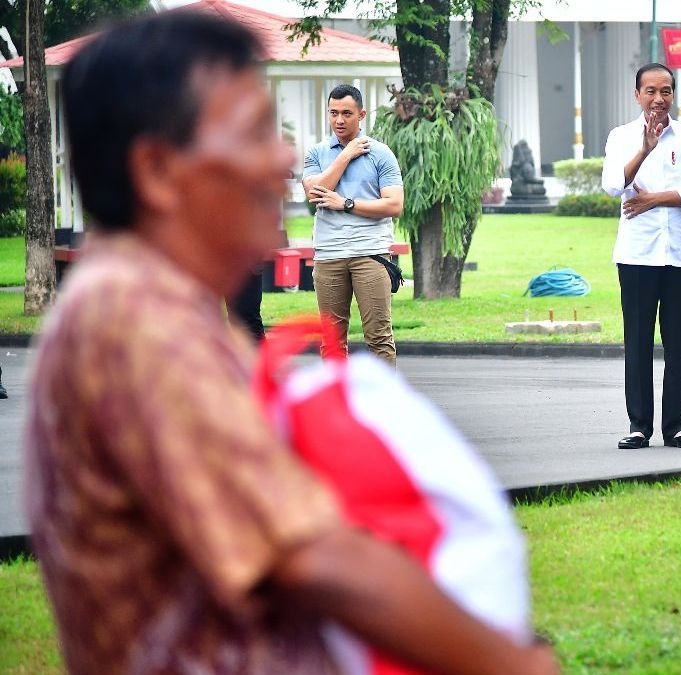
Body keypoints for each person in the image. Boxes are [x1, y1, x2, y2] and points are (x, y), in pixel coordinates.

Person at [24, 11, 557, 675]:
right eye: (251, 134)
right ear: (158, 170)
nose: (280, 159)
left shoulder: (140, 306)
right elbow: (318, 558)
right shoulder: (136, 323)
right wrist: (512, 662)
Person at [601, 63, 681, 450]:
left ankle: (675, 427)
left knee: (677, 344)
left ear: (673, 94)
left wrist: (653, 199)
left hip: (679, 256)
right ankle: (639, 426)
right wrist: (644, 150)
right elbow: (613, 185)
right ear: (637, 95)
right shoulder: (621, 137)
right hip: (636, 255)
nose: (658, 98)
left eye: (665, 91)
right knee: (637, 342)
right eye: (650, 91)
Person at [303, 84, 404, 366]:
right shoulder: (317, 153)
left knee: (379, 338)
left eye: (346, 113)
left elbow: (394, 205)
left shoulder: (381, 154)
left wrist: (346, 203)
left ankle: (383, 409)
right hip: (329, 255)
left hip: (370, 254)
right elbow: (315, 193)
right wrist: (345, 154)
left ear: (361, 115)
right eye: (333, 113)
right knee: (332, 342)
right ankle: (338, 409)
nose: (339, 120)